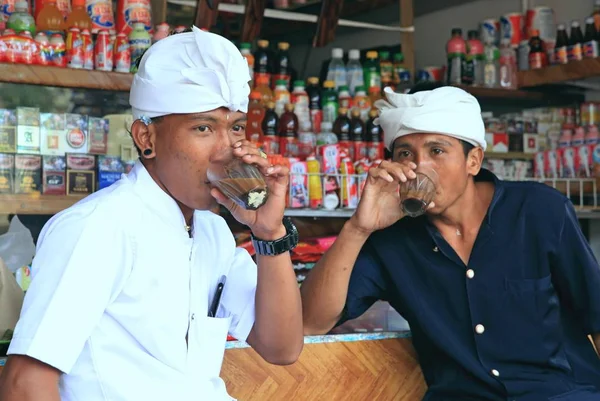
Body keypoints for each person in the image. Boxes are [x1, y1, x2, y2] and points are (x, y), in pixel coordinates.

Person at [0, 27, 303, 401]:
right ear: (147, 138)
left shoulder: (212, 231)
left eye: (237, 127)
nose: (229, 150)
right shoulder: (99, 227)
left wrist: (270, 233)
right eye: (203, 128)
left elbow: (281, 348)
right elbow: (25, 384)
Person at [301, 84, 600, 401]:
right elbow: (309, 322)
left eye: (437, 151)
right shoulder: (392, 240)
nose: (418, 167)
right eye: (405, 154)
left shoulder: (539, 211)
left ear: (473, 161)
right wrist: (358, 227)